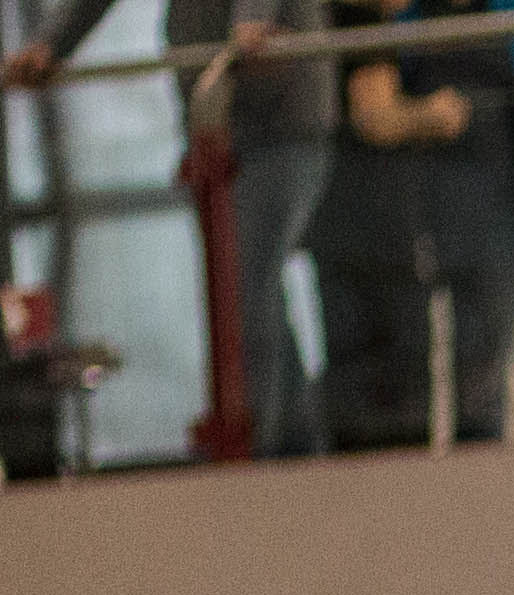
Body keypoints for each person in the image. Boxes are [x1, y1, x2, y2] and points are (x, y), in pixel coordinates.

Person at [2, 0, 341, 457]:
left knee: (242, 289)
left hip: (277, 114)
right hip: (218, 115)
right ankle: (292, 451)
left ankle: (254, 452)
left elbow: (254, 29)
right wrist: (50, 45)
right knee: (250, 292)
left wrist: (252, 21)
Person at [303, 0, 514, 451]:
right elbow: (376, 118)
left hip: (369, 225)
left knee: (386, 374)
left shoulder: (358, 22)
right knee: (389, 377)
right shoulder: (365, 22)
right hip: (376, 229)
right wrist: (435, 114)